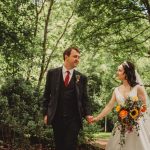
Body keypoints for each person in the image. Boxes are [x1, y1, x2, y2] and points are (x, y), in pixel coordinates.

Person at [43, 47, 93, 150]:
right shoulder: (52, 73)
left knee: (70, 146)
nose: (77, 59)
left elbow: (85, 98)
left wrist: (88, 114)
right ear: (66, 56)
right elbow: (46, 95)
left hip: (74, 119)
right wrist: (45, 113)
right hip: (57, 117)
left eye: (79, 57)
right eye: (75, 56)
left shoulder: (81, 77)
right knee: (59, 146)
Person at [92, 61, 150, 150]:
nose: (117, 72)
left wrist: (135, 117)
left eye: (119, 70)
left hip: (136, 126)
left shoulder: (138, 88)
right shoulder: (116, 90)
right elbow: (109, 106)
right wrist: (97, 118)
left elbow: (144, 107)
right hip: (121, 125)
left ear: (126, 73)